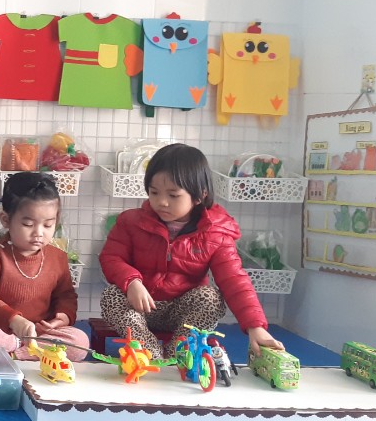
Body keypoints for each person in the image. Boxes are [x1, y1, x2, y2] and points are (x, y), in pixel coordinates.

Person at [99, 143, 283, 360]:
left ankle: (180, 352)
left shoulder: (216, 232)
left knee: (211, 298)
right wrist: (132, 282)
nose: (162, 202)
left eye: (173, 195)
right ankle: (149, 351)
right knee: (112, 295)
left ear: (199, 195)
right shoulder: (131, 222)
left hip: (182, 311)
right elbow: (111, 257)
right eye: (154, 192)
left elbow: (234, 280)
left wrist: (255, 327)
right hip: (139, 306)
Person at [0, 172, 89, 361]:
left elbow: (66, 296)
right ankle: (20, 350)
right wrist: (13, 320)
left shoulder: (58, 257)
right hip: (5, 331)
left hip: (42, 334)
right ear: (6, 220)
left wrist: (63, 317)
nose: (39, 233)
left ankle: (15, 355)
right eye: (28, 224)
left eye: (48, 225)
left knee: (80, 341)